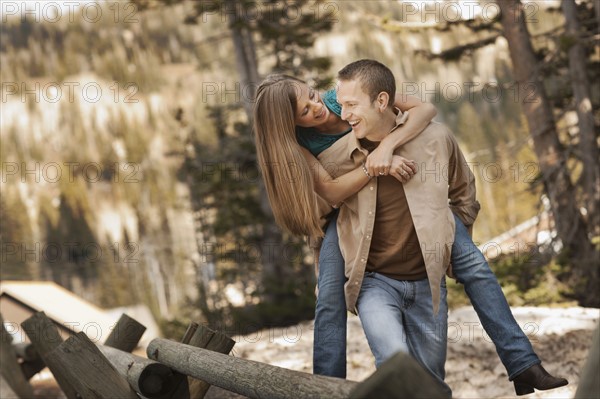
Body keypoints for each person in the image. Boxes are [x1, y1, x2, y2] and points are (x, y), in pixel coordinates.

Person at [253, 63, 568, 396]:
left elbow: (425, 109)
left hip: (406, 200)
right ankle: (327, 387)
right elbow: (330, 193)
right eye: (305, 111)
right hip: (346, 214)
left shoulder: (339, 98)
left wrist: (388, 146)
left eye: (312, 96)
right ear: (292, 124)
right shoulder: (299, 143)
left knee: (475, 268)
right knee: (329, 298)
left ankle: (522, 363)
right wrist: (377, 168)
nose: (318, 107)